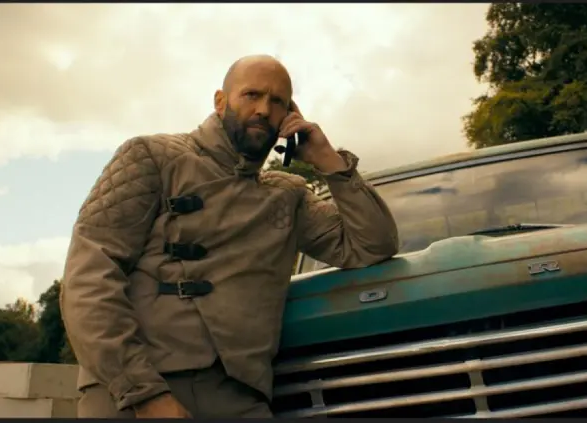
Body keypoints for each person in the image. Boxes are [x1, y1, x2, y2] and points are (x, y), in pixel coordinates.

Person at [60, 55, 400, 418]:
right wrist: (143, 392)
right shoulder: (153, 157)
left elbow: (372, 245)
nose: (263, 110)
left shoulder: (287, 194)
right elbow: (89, 277)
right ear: (220, 101)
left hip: (237, 395)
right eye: (252, 95)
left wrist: (328, 160)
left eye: (278, 101)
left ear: (289, 116)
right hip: (133, 389)